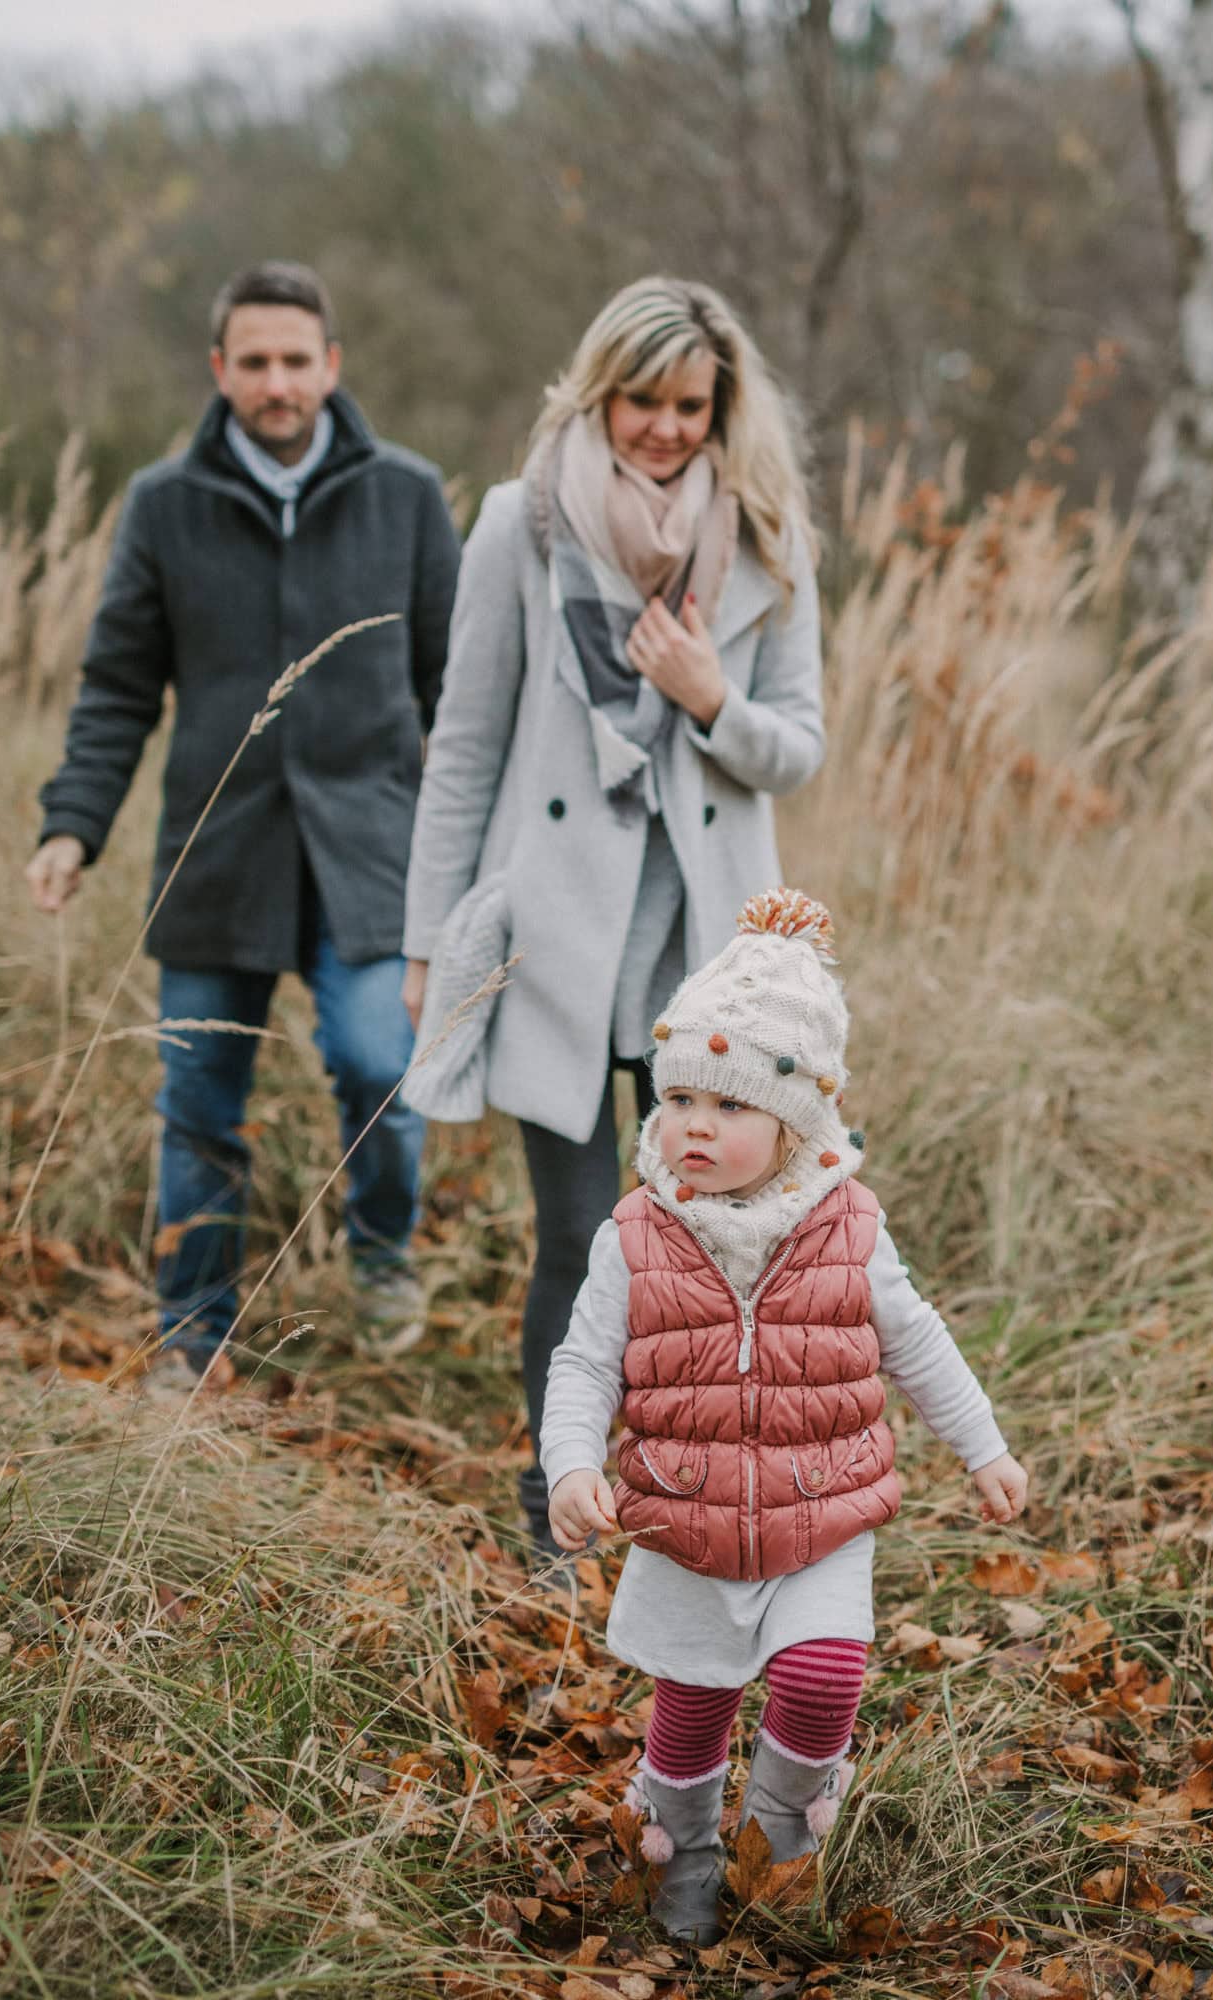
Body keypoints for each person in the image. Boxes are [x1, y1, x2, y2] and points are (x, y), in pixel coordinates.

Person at [400, 276, 825, 1555]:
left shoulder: (764, 537)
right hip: (560, 951)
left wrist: (708, 697)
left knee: (710, 1247)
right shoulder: (517, 528)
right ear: (598, 391)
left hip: (707, 968)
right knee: (586, 1245)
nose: (660, 427)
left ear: (720, 406)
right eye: (638, 399)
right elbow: (463, 748)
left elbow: (794, 748)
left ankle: (692, 1501)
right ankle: (558, 1513)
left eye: (687, 404)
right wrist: (428, 945)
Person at [541, 888, 1029, 1946]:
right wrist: (573, 1460)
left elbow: (916, 1339)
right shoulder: (634, 1233)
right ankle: (684, 1856)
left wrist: (981, 1443)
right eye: (676, 1099)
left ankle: (778, 1839)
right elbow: (583, 1359)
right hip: (685, 1509)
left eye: (728, 1107)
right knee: (693, 1701)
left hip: (822, 1507)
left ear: (798, 1120)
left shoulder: (851, 1225)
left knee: (821, 1670)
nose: (693, 1126)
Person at [26, 261, 460, 1376]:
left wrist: (476, 848)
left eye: (296, 360)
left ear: (333, 365)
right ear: (220, 370)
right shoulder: (163, 503)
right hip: (218, 855)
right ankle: (195, 1331)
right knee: (198, 1102)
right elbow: (119, 684)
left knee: (379, 1065)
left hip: (372, 852)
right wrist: (72, 824)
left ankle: (378, 1251)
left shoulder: (406, 494)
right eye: (254, 362)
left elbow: (454, 690)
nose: (277, 382)